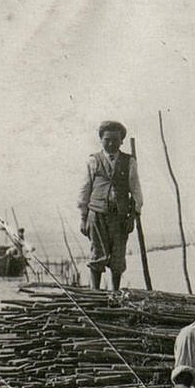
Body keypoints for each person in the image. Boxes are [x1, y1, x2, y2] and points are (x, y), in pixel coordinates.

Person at [78, 120, 143, 290]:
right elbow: (85, 189)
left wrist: (133, 216)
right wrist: (83, 218)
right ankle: (95, 294)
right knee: (97, 254)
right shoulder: (93, 160)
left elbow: (135, 190)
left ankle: (114, 294)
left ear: (122, 141)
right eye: (107, 139)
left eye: (115, 139)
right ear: (101, 140)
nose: (111, 143)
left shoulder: (129, 162)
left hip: (120, 217)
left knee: (118, 257)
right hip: (97, 214)